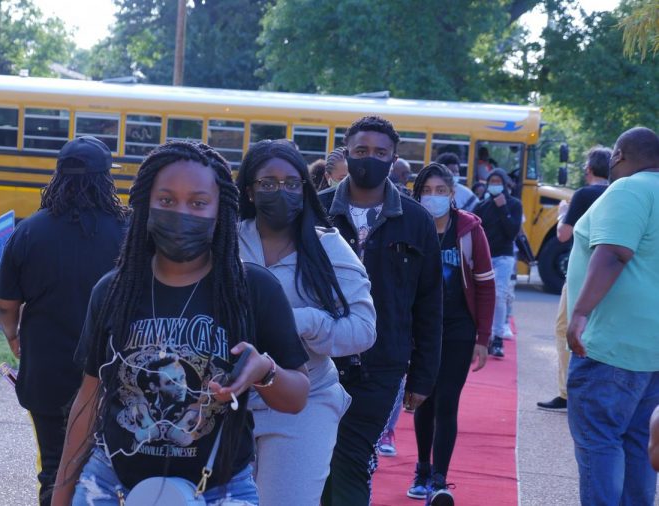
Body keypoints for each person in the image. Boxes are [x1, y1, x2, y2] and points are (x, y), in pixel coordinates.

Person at [50, 141, 311, 506]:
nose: (182, 212)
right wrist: (62, 492)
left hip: (220, 490)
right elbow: (89, 398)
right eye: (167, 200)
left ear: (221, 210)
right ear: (145, 205)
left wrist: (264, 371)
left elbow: (297, 397)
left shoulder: (254, 290)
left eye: (198, 203)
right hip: (110, 487)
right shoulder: (113, 290)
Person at [236, 140, 377, 505]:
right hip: (229, 400)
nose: (279, 191)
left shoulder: (328, 247)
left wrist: (307, 322)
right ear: (249, 190)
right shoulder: (226, 242)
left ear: (304, 189)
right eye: (267, 183)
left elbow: (363, 328)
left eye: (291, 183)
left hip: (306, 399)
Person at [0, 136, 128, 506]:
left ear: (57, 176)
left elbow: (6, 303)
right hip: (114, 373)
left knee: (54, 466)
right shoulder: (129, 231)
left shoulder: (30, 230)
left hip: (48, 371)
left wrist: (13, 335)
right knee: (117, 468)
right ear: (106, 180)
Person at [318, 116, 443, 506]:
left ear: (393, 158)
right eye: (360, 151)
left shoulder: (417, 220)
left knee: (351, 456)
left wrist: (422, 376)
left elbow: (429, 302)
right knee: (316, 456)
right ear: (346, 154)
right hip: (315, 358)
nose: (369, 159)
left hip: (382, 363)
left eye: (379, 153)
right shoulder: (315, 211)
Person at [565, 126, 659, 506]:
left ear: (618, 156)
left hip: (608, 346)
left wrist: (579, 314)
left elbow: (613, 253)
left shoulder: (628, 189)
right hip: (651, 351)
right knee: (639, 444)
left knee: (599, 442)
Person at [406, 163, 495, 505]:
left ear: (453, 194)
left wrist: (483, 339)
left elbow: (486, 286)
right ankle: (422, 468)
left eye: (441, 191)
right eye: (427, 191)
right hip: (421, 328)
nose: (434, 197)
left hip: (458, 329)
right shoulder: (412, 225)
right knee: (421, 397)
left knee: (447, 401)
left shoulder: (470, 230)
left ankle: (439, 479)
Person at [536, 146, 611, 413]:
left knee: (565, 329)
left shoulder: (583, 195)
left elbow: (563, 236)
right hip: (612, 274)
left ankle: (568, 393)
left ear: (588, 170)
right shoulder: (617, 194)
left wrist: (561, 214)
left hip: (581, 274)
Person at [473, 169, 522, 358]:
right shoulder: (482, 206)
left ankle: (498, 337)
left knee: (499, 295)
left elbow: (512, 232)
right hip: (484, 256)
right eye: (491, 181)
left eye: (497, 181)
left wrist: (503, 209)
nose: (494, 184)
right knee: (483, 295)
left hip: (504, 257)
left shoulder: (514, 204)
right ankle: (485, 336)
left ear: (505, 183)